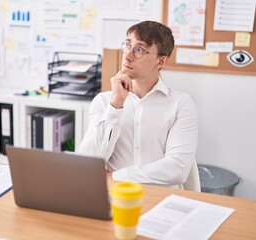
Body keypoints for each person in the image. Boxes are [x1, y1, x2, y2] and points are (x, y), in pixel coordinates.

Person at [78, 21, 198, 189]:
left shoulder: (181, 104)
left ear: (161, 61)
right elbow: (88, 163)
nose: (127, 56)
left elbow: (177, 169)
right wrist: (116, 105)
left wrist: (115, 177)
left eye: (139, 49)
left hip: (160, 200)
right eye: (127, 45)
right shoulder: (104, 102)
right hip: (113, 198)